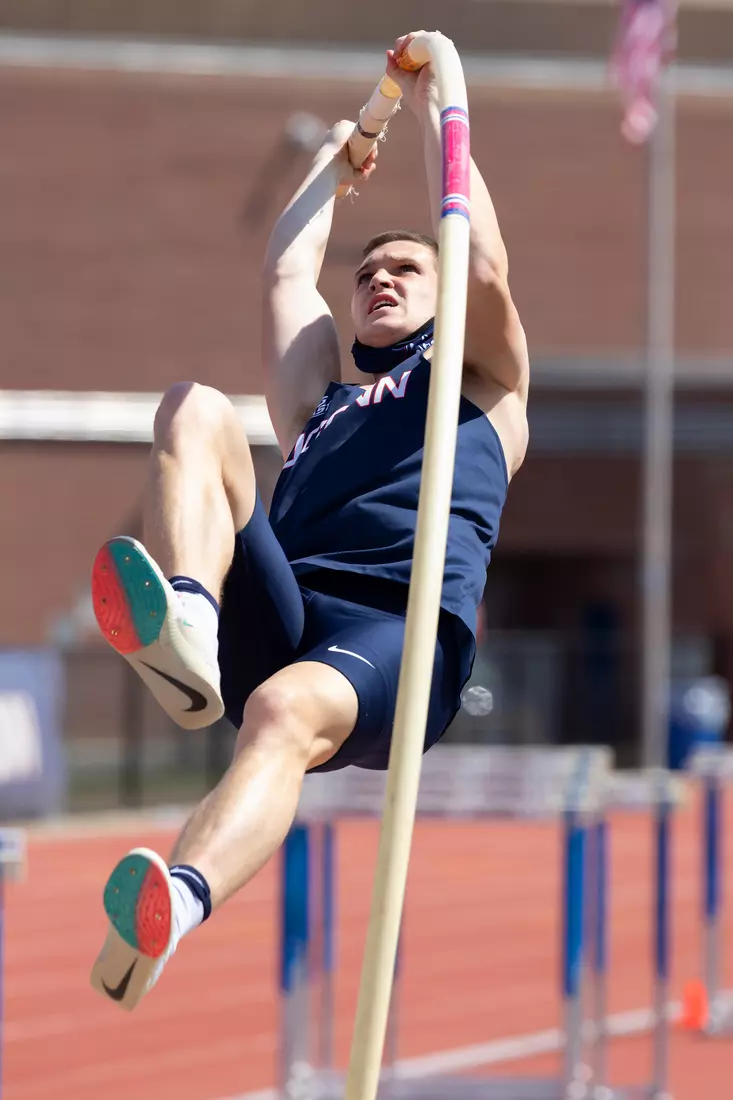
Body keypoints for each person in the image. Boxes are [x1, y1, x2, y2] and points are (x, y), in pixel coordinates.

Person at [90, 30, 529, 1011]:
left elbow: (485, 269)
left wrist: (421, 109)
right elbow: (288, 278)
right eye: (367, 270)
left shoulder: (486, 386)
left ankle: (183, 896)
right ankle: (191, 622)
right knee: (195, 406)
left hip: (398, 636)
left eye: (405, 270)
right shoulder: (321, 402)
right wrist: (335, 165)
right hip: (283, 612)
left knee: (282, 712)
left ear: (438, 292)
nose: (378, 277)